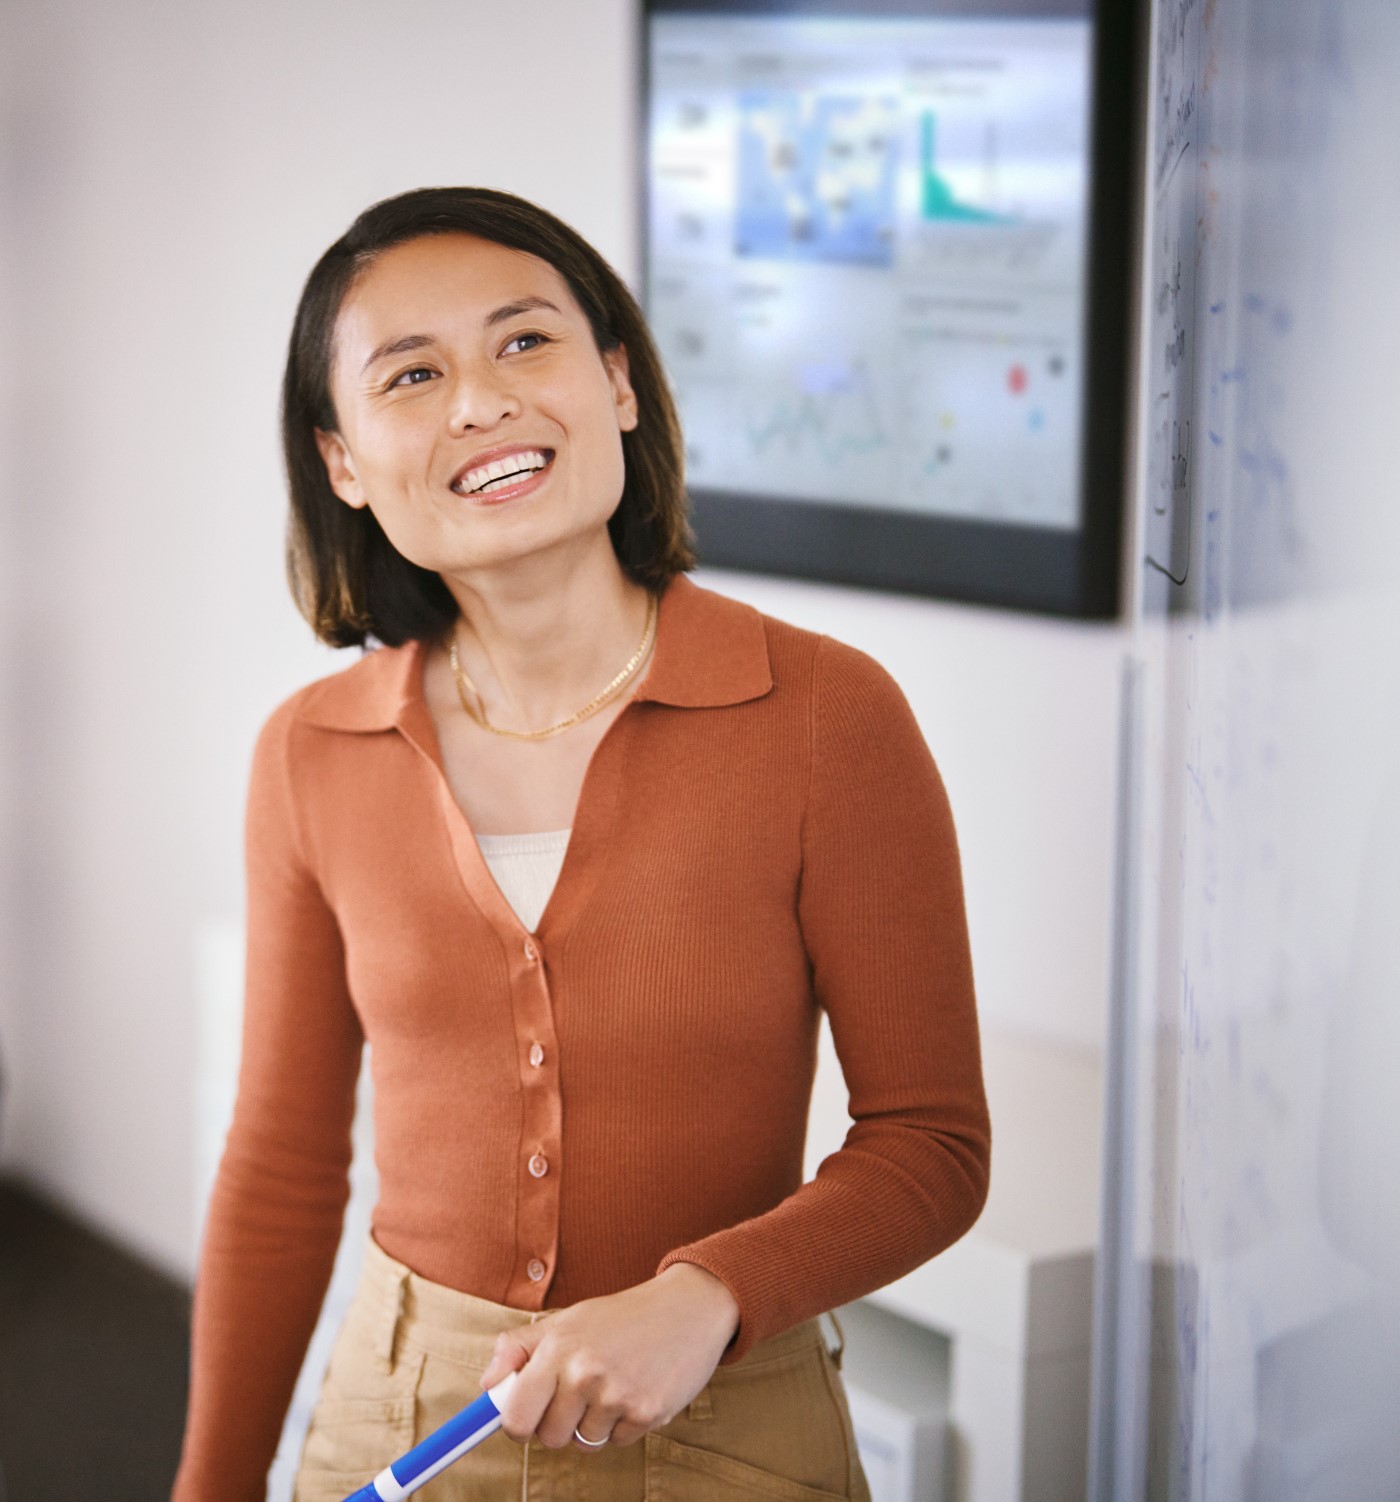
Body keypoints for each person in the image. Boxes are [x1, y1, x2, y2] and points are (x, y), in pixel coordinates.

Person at [170, 186, 991, 1502]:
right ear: (342, 461)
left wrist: (705, 1294)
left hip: (731, 1406)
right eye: (414, 373)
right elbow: (278, 1167)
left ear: (617, 382)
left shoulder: (833, 715)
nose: (482, 401)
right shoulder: (309, 752)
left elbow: (932, 1144)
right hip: (398, 1415)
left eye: (525, 342)